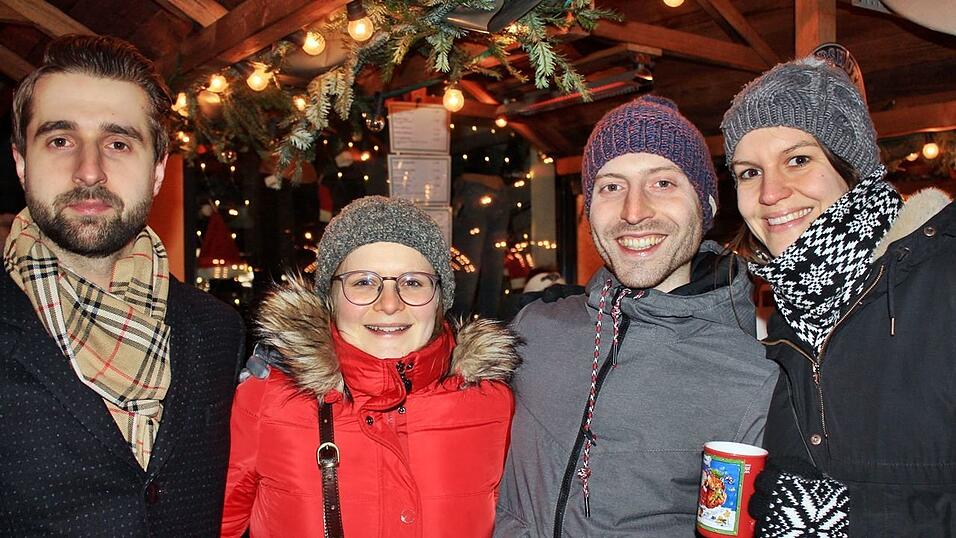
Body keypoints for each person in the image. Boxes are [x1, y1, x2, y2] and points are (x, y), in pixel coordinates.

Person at [494, 95, 778, 536]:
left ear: (705, 203)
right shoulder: (536, 330)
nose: (633, 211)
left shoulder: (752, 375)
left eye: (662, 183)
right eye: (611, 186)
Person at [0, 35, 244, 535]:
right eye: (60, 140)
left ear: (157, 171)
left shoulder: (220, 333)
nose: (89, 170)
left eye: (118, 143)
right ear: (22, 161)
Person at [722, 56, 956, 536]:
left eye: (799, 159)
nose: (770, 193)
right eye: (748, 172)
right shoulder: (785, 322)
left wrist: (847, 518)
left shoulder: (943, 279)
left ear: (854, 167)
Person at [221, 196, 520, 537]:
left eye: (412, 282)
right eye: (363, 282)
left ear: (440, 297)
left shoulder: (494, 405)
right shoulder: (267, 399)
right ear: (331, 297)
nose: (390, 304)